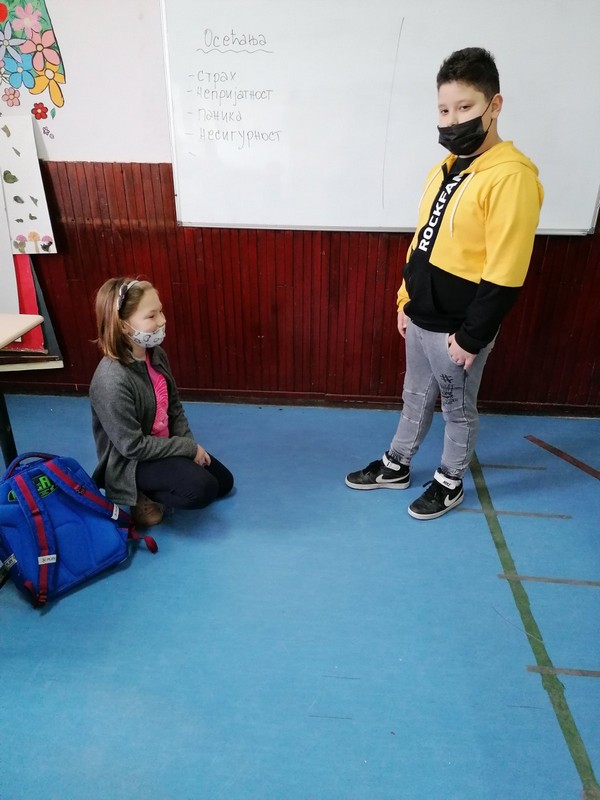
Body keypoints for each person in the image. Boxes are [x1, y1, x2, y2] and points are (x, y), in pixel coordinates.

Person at [345, 47, 543, 520]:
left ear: (494, 106)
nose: (452, 120)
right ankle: (397, 464)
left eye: (465, 107)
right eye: (444, 110)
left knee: (457, 408)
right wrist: (405, 299)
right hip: (421, 315)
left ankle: (450, 481)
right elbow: (423, 240)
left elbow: (506, 269)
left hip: (459, 328)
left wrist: (472, 336)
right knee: (414, 395)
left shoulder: (512, 177)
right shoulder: (444, 169)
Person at [90, 277, 234, 527]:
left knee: (224, 483)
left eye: (161, 311)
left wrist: (188, 445)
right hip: (132, 461)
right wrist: (187, 449)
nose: (162, 320)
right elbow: (132, 447)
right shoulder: (111, 380)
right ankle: (138, 494)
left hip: (163, 444)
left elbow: (174, 408)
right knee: (203, 490)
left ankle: (170, 474)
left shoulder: (155, 354)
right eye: (151, 315)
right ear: (123, 326)